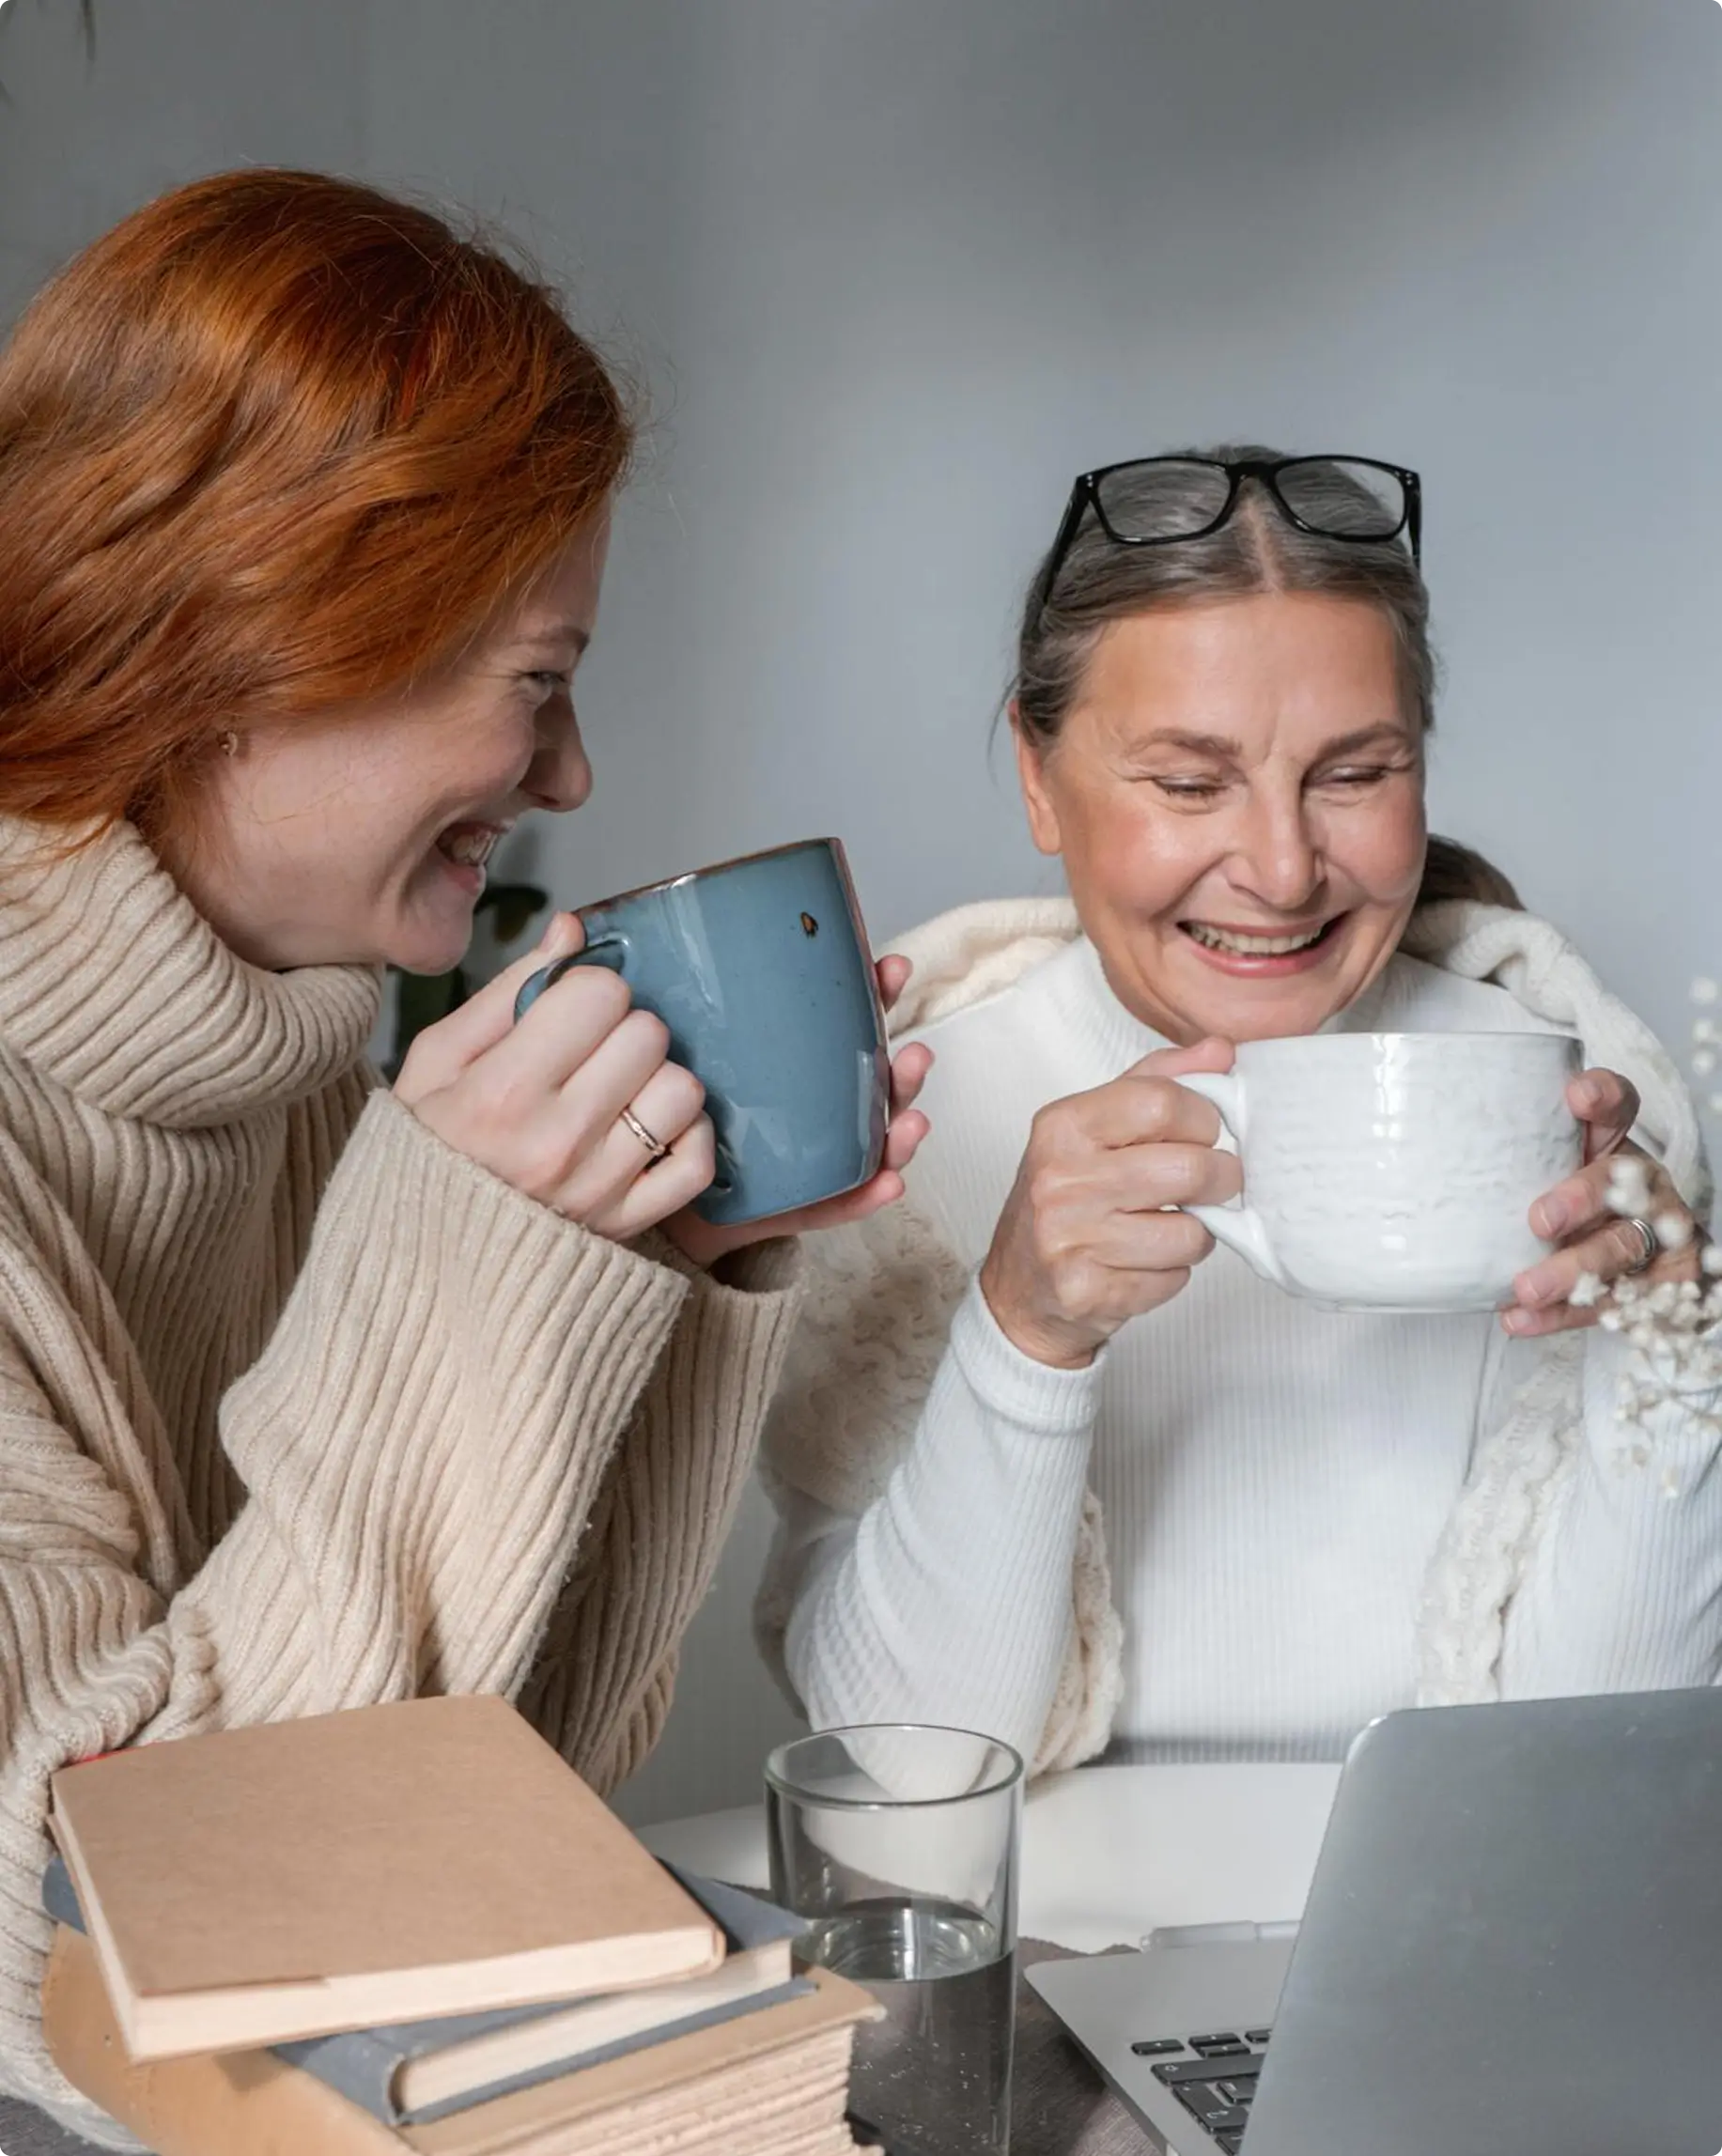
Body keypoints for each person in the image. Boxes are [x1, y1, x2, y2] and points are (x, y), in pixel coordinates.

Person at [0, 170, 930, 2138]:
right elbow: (82, 1949)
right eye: (538, 682)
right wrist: (455, 1247)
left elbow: (502, 1802)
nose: (573, 776)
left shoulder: (297, 1076)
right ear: (265, 634)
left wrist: (640, 1278)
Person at [758, 447, 1714, 1784]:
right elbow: (906, 1769)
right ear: (1039, 778)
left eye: (1353, 773)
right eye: (1191, 782)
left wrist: (1668, 1364)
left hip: (1448, 1936)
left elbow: (1606, 1766)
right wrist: (1022, 1332)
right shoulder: (919, 1130)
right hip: (1054, 1957)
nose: (1279, 868)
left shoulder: (1565, 1108)